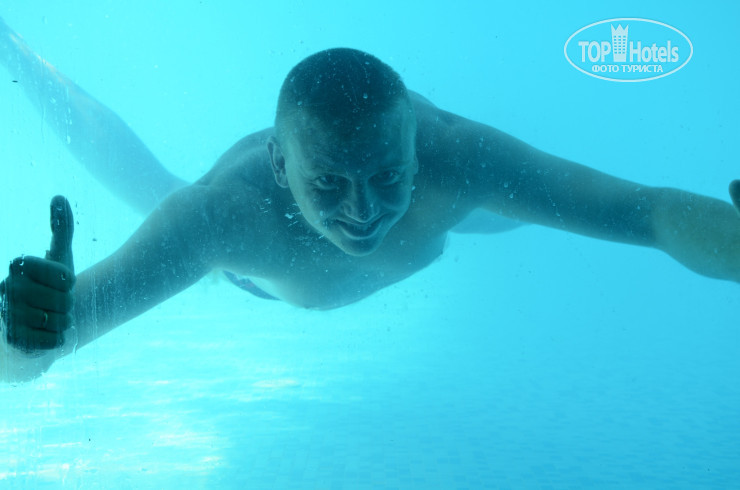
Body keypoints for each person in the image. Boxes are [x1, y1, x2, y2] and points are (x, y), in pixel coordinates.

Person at [1, 18, 739, 381]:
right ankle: (21, 58)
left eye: (385, 175)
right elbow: (32, 362)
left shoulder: (458, 161)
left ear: (417, 150)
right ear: (279, 163)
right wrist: (25, 331)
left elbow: (649, 213)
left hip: (444, 208)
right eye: (328, 182)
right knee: (154, 189)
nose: (360, 212)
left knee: (504, 211)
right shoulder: (223, 217)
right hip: (253, 270)